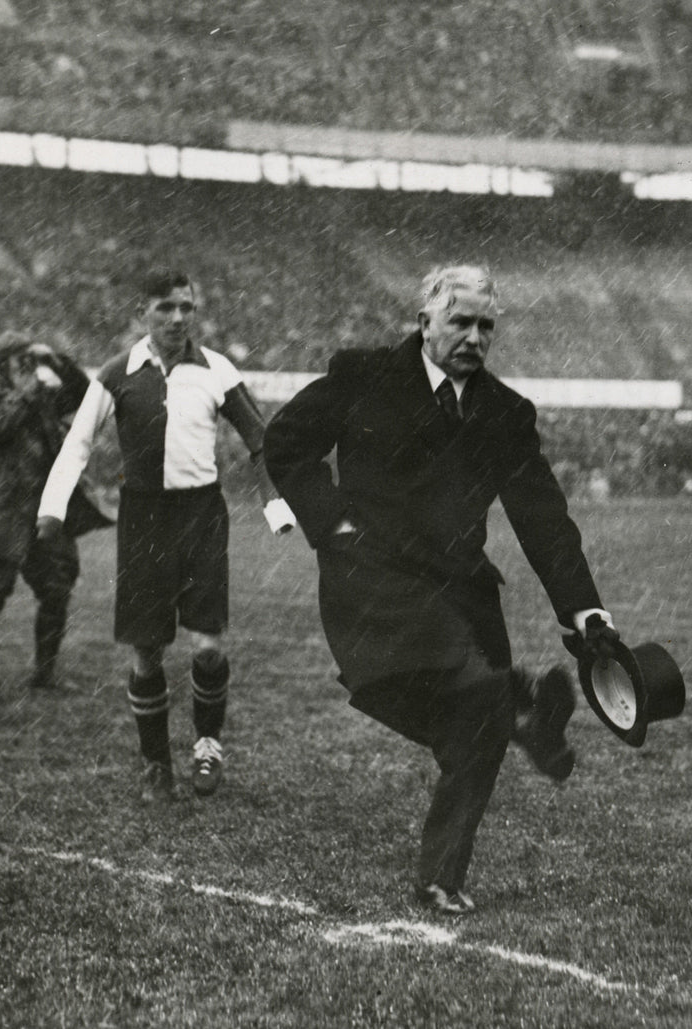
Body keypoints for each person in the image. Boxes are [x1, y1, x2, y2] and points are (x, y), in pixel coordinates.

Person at [263, 265, 618, 915]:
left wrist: (584, 609)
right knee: (462, 685)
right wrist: (330, 521)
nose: (474, 336)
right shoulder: (363, 375)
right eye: (460, 321)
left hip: (460, 586)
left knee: (473, 734)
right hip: (371, 575)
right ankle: (517, 703)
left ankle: (440, 877)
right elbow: (284, 442)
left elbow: (541, 514)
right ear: (423, 320)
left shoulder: (506, 413)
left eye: (486, 325)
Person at [36, 269, 291, 803]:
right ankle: (156, 766)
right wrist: (51, 511)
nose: (177, 318)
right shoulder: (117, 372)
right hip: (143, 520)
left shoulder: (215, 369)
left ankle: (207, 746)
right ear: (143, 312)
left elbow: (260, 440)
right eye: (165, 309)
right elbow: (77, 445)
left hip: (201, 515)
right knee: (147, 652)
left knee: (207, 647)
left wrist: (275, 504)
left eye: (186, 308)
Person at [0, 331, 112, 696]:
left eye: (30, 360)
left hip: (44, 512)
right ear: (2, 367)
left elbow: (86, 394)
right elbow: (1, 427)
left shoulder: (43, 398)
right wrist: (27, 391)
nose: (28, 368)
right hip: (2, 513)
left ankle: (44, 674)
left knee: (56, 589)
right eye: (20, 361)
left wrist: (55, 361)